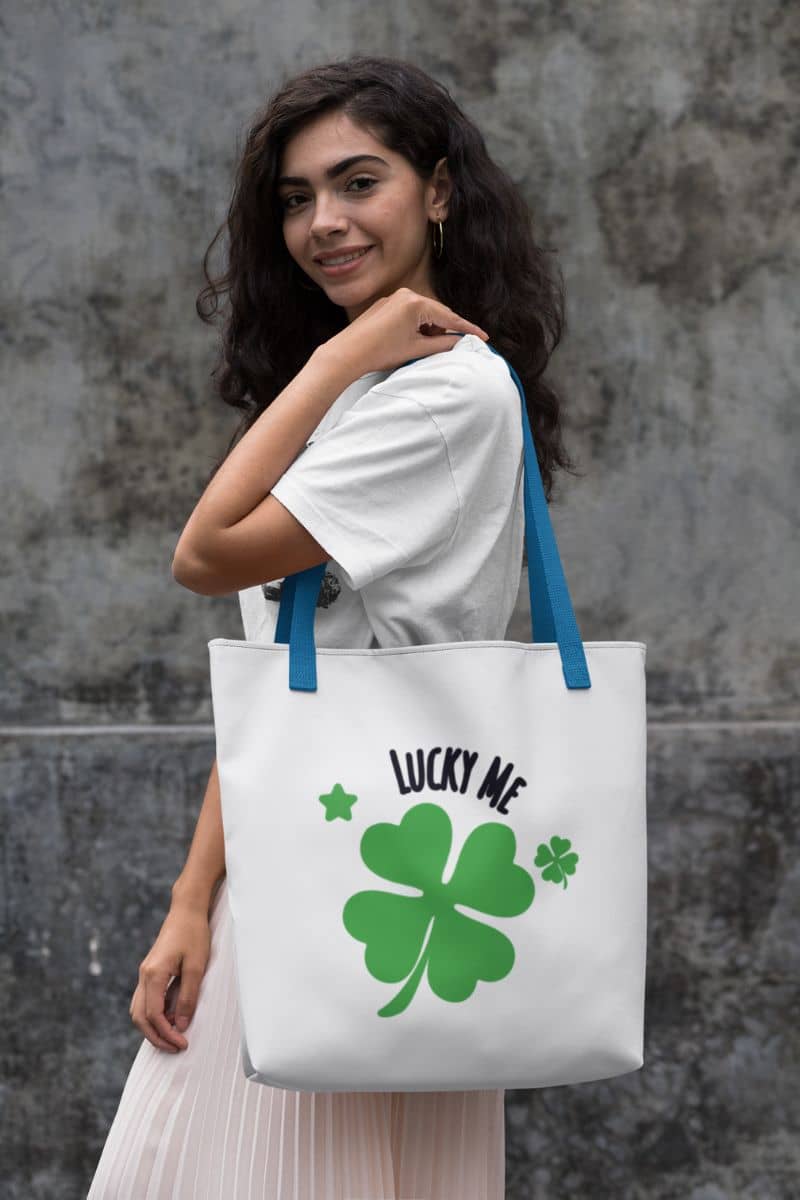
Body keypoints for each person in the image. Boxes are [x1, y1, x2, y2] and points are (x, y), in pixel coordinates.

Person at [86, 52, 578, 1199]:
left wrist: (340, 353)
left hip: (362, 888)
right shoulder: (376, 388)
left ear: (440, 191)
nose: (324, 222)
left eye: (359, 183)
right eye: (296, 199)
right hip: (321, 866)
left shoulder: (439, 392)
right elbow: (287, 679)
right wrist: (192, 903)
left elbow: (203, 556)